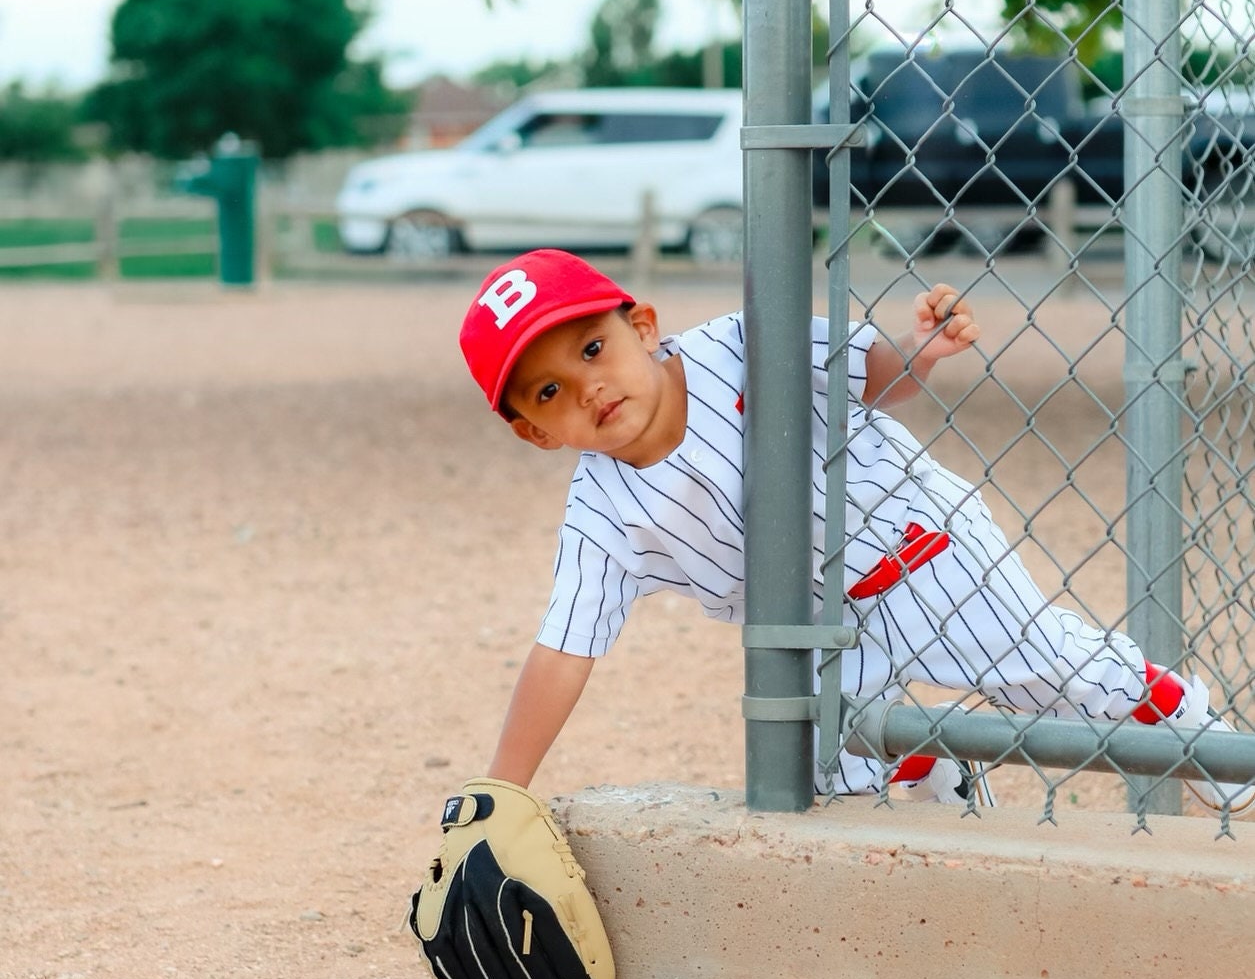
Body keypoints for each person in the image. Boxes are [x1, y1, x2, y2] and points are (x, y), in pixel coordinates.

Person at [458, 247, 1253, 815]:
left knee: (1052, 676)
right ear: (535, 431)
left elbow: (876, 375)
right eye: (551, 390)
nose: (588, 386)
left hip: (923, 555)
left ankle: (1213, 750)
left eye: (593, 346)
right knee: (830, 760)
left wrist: (921, 350)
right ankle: (945, 801)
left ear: (643, 324)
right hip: (820, 627)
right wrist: (503, 792)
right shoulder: (601, 508)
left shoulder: (742, 343)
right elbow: (562, 649)